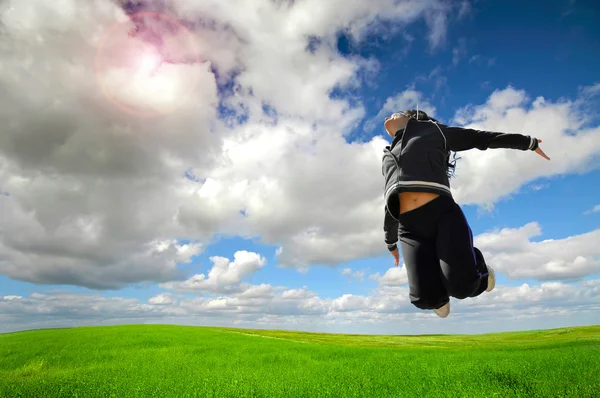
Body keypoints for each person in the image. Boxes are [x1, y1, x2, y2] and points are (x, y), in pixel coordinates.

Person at [382, 109, 550, 318]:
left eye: (395, 112)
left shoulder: (434, 131)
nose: (389, 115)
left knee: (462, 288)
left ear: (411, 117)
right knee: (424, 300)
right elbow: (390, 201)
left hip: (442, 213)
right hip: (409, 227)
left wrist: (529, 143)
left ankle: (481, 268)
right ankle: (437, 296)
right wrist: (390, 242)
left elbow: (481, 138)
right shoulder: (387, 154)